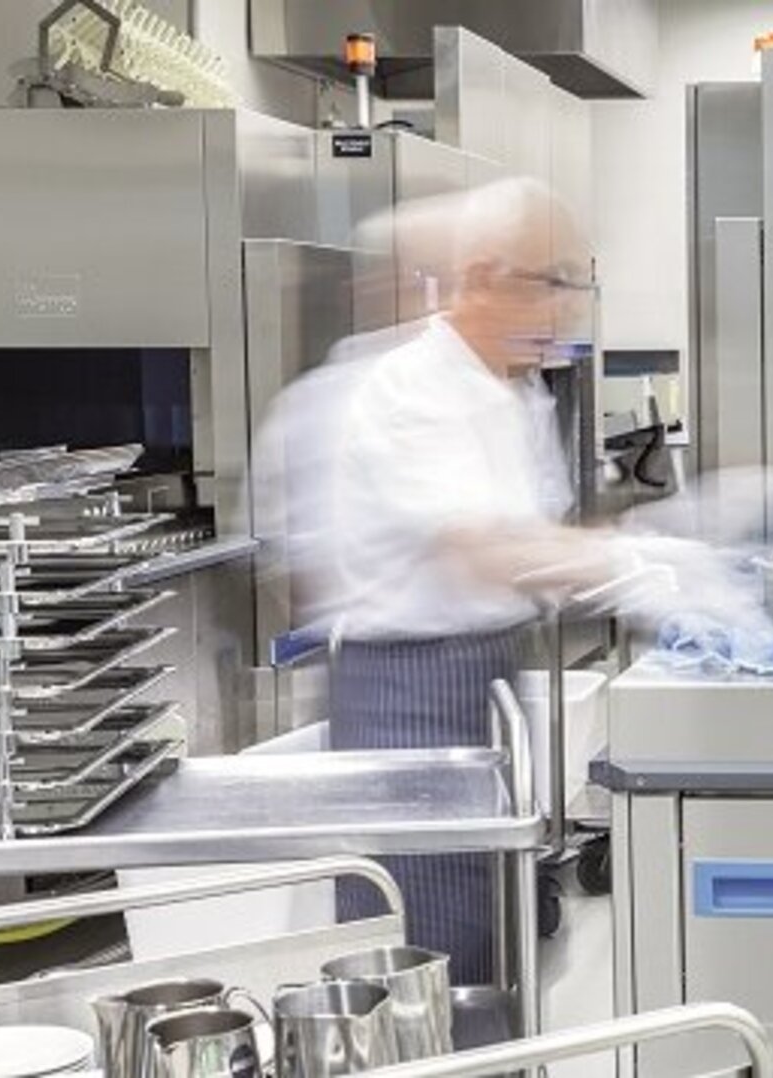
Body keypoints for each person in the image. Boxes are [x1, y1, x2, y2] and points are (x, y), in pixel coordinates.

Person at [258, 178, 725, 984]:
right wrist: (650, 566)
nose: (571, 307)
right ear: (480, 277)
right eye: (555, 282)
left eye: (582, 282)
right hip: (409, 702)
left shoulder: (509, 388)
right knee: (425, 964)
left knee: (491, 943)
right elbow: (485, 549)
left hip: (480, 684)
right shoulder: (413, 390)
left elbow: (534, 542)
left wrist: (656, 551)